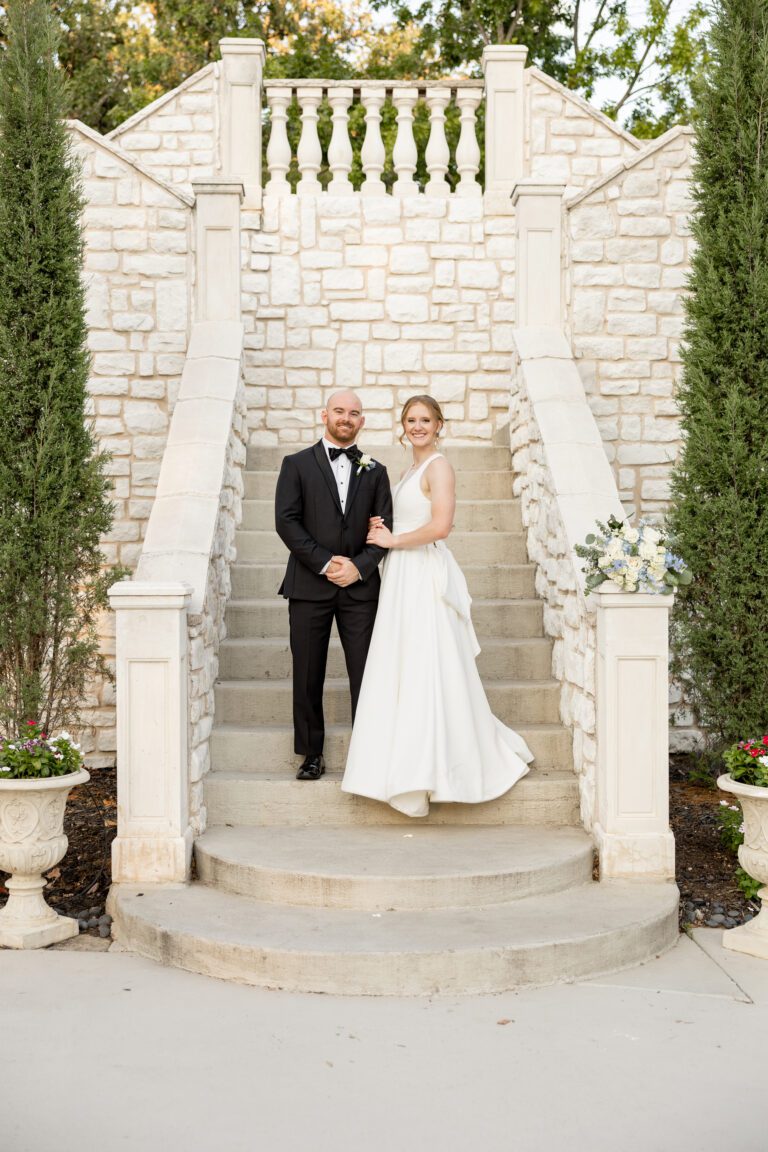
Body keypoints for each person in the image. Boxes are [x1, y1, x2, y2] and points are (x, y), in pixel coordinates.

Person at [341, 394, 533, 816]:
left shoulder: (439, 466)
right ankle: (401, 765)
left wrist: (393, 540)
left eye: (425, 419)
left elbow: (441, 526)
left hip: (423, 575)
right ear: (402, 425)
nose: (417, 426)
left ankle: (431, 769)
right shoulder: (411, 468)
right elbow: (415, 517)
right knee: (403, 664)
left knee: (425, 664)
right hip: (402, 575)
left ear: (439, 425)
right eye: (411, 419)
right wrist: (384, 527)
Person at [275, 390, 393, 780]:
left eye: (354, 413)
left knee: (367, 672)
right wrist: (326, 564)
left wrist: (358, 567)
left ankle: (370, 751)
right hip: (309, 584)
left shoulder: (375, 470)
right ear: (324, 415)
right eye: (339, 411)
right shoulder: (295, 464)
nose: (346, 418)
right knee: (308, 672)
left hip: (360, 589)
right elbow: (287, 522)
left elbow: (384, 527)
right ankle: (311, 753)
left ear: (362, 421)